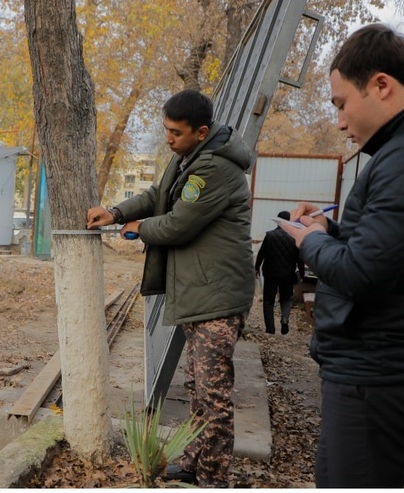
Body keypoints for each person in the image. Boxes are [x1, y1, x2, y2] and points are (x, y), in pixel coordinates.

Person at [278, 24, 404, 487]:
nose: (340, 122)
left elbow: (363, 271)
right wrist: (329, 228)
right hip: (375, 362)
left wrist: (308, 242)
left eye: (341, 103)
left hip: (380, 367)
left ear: (381, 85)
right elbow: (390, 248)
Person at [87, 89, 254, 488]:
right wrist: (117, 211)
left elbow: (179, 223)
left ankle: (213, 478)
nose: (168, 139)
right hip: (201, 291)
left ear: (200, 132)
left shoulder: (214, 169)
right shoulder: (188, 158)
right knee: (197, 387)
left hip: (217, 296)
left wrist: (138, 228)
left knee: (213, 396)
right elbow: (157, 196)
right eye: (166, 130)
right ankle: (196, 463)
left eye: (175, 133)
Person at [255, 210, 304, 335]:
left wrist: (256, 268)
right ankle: (285, 319)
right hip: (287, 275)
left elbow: (261, 254)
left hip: (270, 274)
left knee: (268, 301)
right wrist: (302, 274)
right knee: (286, 298)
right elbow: (300, 258)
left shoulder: (270, 235)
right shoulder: (294, 238)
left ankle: (270, 329)